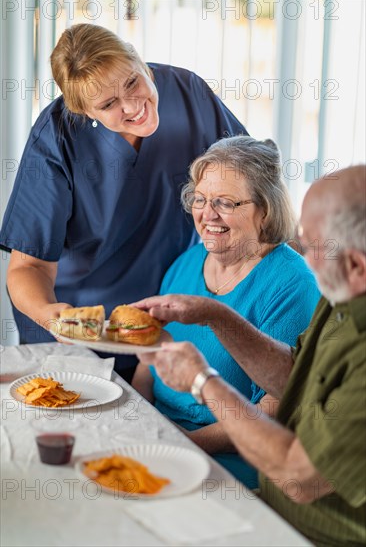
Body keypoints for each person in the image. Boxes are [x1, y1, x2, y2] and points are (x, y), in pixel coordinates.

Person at [0, 23, 247, 380]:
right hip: (78, 326)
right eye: (108, 104)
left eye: (132, 82)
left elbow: (252, 179)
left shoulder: (189, 93)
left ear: (138, 59)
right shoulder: (57, 137)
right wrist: (54, 317)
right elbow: (28, 268)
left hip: (167, 312)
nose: (134, 106)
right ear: (84, 111)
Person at [136, 165, 366, 547]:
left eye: (310, 246)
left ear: (356, 265)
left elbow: (300, 478)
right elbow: (296, 375)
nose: (302, 257)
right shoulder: (343, 294)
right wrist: (216, 314)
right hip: (267, 507)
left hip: (313, 535)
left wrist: (201, 381)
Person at [132, 135, 320, 488]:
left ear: (264, 210)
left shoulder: (292, 284)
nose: (207, 214)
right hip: (158, 435)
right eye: (200, 199)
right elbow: (149, 358)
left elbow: (278, 405)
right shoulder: (186, 264)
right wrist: (135, 421)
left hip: (231, 459)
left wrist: (184, 444)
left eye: (225, 203)